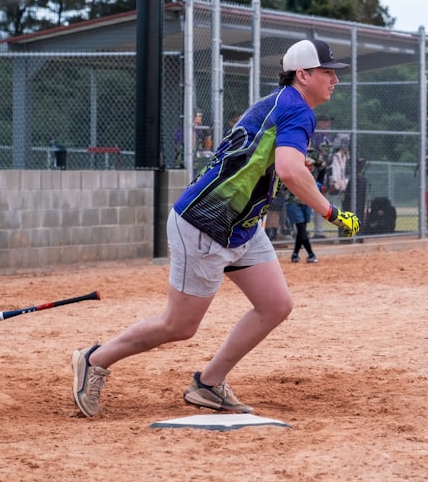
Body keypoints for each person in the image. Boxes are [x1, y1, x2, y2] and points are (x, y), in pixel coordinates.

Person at [71, 39, 361, 417]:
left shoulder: (281, 105)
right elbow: (290, 171)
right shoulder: (297, 110)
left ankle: (208, 384)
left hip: (242, 225)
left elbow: (268, 159)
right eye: (327, 71)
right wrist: (331, 212)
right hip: (205, 224)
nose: (335, 79)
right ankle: (95, 360)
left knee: (275, 305)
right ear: (302, 75)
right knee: (179, 325)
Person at [310, 116, 334, 239]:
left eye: (329, 121)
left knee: (322, 200)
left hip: (327, 172)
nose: (328, 123)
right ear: (319, 123)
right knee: (307, 201)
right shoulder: (314, 135)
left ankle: (319, 232)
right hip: (314, 171)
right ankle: (298, 230)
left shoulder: (330, 137)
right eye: (325, 121)